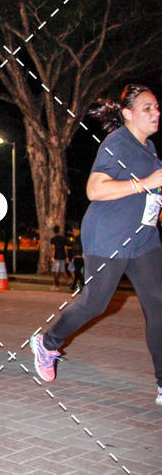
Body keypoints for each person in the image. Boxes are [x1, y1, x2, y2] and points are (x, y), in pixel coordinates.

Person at [30, 85, 162, 405]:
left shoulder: (150, 148)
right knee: (96, 303)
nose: (155, 113)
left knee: (159, 306)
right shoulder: (117, 143)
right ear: (127, 113)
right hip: (109, 237)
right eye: (147, 108)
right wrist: (146, 183)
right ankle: (47, 343)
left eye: (157, 107)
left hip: (143, 238)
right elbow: (95, 189)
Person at [50, 224, 68, 289]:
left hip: (56, 256)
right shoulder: (63, 239)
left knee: (55, 271)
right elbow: (65, 248)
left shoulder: (53, 239)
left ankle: (56, 284)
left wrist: (52, 256)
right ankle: (69, 281)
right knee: (62, 270)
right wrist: (67, 257)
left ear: (54, 231)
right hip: (62, 256)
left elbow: (53, 248)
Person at [68, 226, 84, 291]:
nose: (73, 233)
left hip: (79, 258)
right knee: (77, 273)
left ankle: (83, 284)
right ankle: (74, 286)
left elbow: (79, 248)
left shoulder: (80, 239)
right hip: (76, 258)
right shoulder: (76, 239)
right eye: (73, 231)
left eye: (75, 231)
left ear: (79, 231)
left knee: (78, 273)